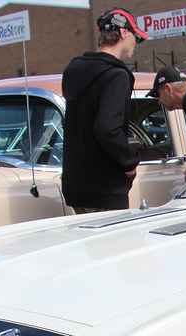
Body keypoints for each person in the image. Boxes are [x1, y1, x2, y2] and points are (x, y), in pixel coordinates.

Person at [61, 7, 149, 213]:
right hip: (105, 185)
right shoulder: (116, 75)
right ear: (124, 33)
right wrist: (129, 161)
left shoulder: (73, 70)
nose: (136, 44)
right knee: (114, 245)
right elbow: (107, 129)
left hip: (76, 184)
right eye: (136, 37)